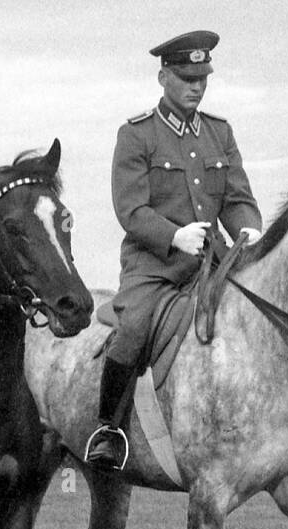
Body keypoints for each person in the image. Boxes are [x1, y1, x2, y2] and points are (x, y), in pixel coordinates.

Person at [86, 30, 264, 469]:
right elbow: (130, 209)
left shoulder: (220, 133)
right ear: (163, 76)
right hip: (154, 265)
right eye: (186, 77)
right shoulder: (137, 135)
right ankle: (108, 429)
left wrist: (250, 231)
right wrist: (173, 236)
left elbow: (237, 198)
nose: (196, 85)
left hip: (217, 261)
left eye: (202, 77)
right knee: (133, 330)